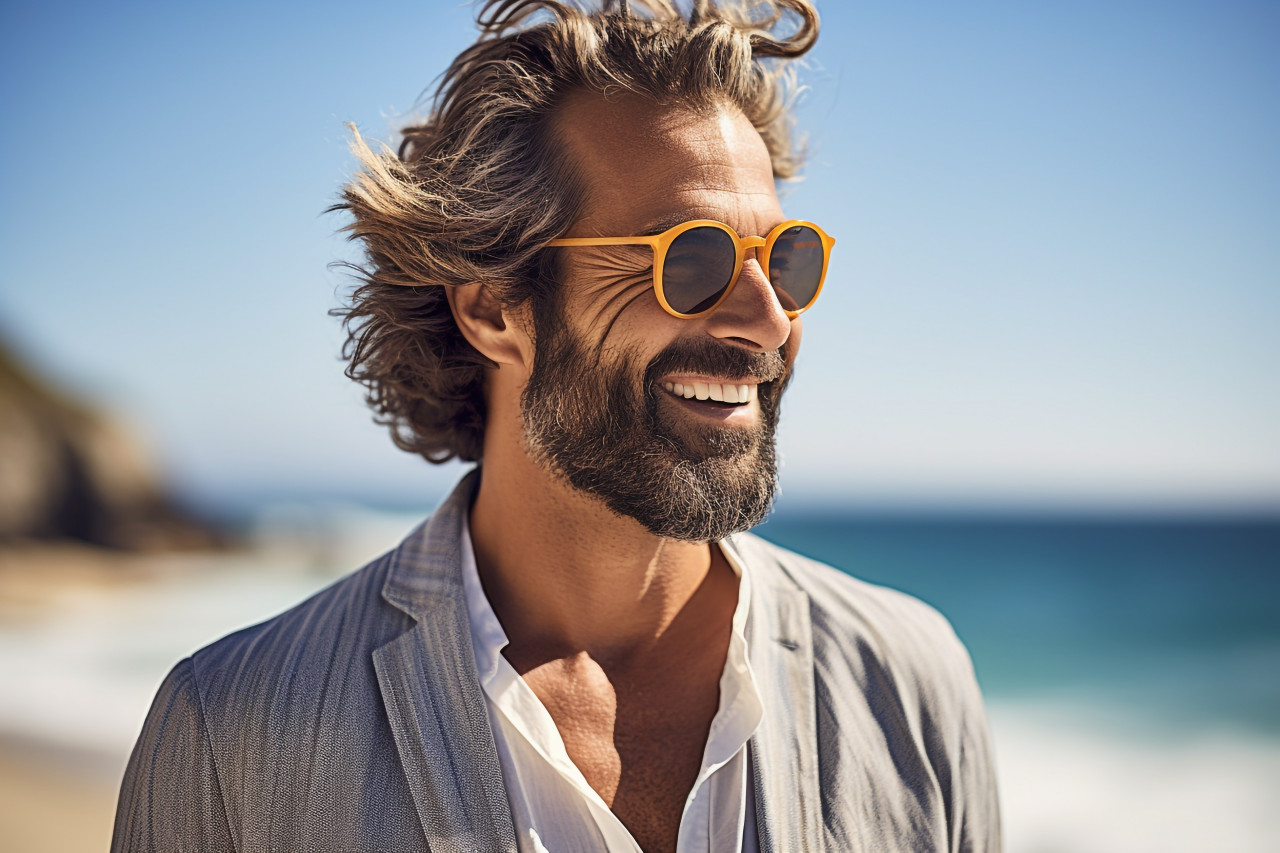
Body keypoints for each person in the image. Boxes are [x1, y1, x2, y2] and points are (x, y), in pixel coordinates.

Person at [112, 2, 1000, 851]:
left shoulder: (910, 681)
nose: (769, 320)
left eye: (787, 259)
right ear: (494, 307)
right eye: (692, 258)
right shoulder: (230, 731)